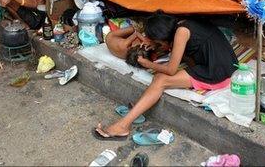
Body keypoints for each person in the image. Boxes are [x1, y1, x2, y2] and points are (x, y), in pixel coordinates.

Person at [94, 11, 238, 139]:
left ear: (162, 36)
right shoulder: (180, 24)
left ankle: (123, 126)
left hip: (219, 72)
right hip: (223, 62)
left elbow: (171, 70)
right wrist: (157, 45)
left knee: (161, 79)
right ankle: (139, 107)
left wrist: (147, 63)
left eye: (156, 41)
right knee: (160, 76)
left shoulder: (181, 32)